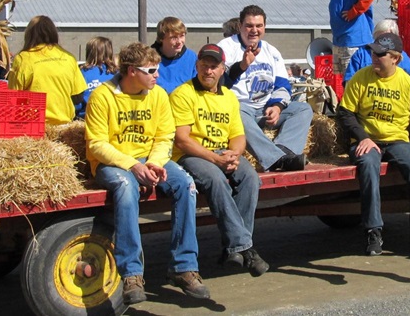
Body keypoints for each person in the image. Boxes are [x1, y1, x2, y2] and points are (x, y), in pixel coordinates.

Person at [84, 42, 209, 305]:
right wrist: (133, 165)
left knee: (186, 184)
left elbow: (165, 136)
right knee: (126, 188)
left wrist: (154, 163)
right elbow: (97, 144)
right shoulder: (103, 96)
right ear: (131, 71)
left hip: (149, 160)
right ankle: (131, 273)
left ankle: (184, 267)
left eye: (157, 69)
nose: (157, 75)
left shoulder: (159, 95)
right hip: (113, 163)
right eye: (151, 70)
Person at [336, 32, 410, 263]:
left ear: (395, 58)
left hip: (397, 140)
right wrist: (362, 137)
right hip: (367, 141)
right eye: (373, 52)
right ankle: (373, 232)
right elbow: (344, 112)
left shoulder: (407, 82)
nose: (374, 57)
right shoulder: (361, 77)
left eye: (380, 54)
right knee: (368, 165)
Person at [170, 43, 269, 277]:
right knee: (215, 179)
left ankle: (234, 248)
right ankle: (246, 247)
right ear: (197, 66)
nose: (208, 71)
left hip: (222, 152)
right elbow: (182, 140)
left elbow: (238, 135)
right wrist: (216, 159)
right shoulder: (183, 94)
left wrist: (234, 155)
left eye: (214, 67)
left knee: (249, 177)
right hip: (192, 154)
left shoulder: (229, 98)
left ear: (223, 69)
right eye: (204, 66)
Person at [218, 5, 312, 172]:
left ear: (264, 27)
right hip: (240, 109)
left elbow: (282, 84)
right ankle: (275, 160)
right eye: (249, 26)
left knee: (303, 109)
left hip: (264, 108)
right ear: (240, 26)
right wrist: (241, 66)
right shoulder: (226, 47)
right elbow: (217, 84)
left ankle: (284, 152)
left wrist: (277, 106)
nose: (254, 30)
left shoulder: (271, 51)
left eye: (259, 26)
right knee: (236, 111)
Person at [8, 15, 87, 126]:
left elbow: (13, 96)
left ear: (29, 34)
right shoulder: (69, 57)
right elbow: (78, 96)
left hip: (33, 126)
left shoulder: (23, 59)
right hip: (64, 124)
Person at [344, 18, 410, 84]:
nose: (381, 41)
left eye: (386, 38)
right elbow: (349, 79)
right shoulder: (362, 53)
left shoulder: (400, 55)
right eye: (379, 36)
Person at [75, 36, 117, 120]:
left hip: (86, 117)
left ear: (89, 52)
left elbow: (77, 101)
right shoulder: (117, 73)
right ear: (110, 52)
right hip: (112, 117)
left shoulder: (81, 72)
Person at [153, 17, 197, 95]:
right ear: (161, 38)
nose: (179, 42)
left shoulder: (192, 58)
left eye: (182, 36)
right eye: (174, 38)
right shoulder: (149, 58)